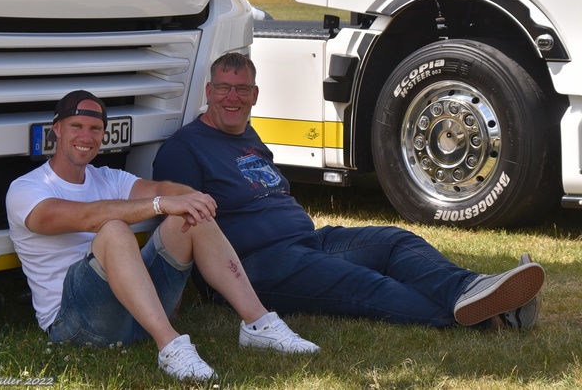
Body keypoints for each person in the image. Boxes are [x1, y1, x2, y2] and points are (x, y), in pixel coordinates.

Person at [153, 53, 545, 330]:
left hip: (308, 242)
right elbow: (184, 228)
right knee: (366, 286)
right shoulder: (185, 148)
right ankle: (495, 318)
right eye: (223, 88)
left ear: (255, 95)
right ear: (208, 91)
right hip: (256, 265)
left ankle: (471, 288)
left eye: (241, 90)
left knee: (394, 242)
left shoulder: (249, 137)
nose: (232, 98)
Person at [6, 90, 320, 382]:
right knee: (113, 228)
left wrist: (189, 198)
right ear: (57, 129)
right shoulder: (27, 188)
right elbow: (87, 217)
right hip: (75, 323)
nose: (86, 137)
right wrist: (159, 204)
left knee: (190, 214)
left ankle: (258, 324)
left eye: (95, 129)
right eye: (76, 126)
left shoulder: (108, 177)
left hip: (134, 314)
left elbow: (162, 189)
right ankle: (170, 347)